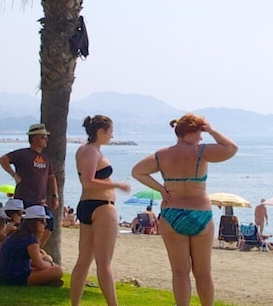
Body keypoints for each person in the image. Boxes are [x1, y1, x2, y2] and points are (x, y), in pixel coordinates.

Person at [130, 113, 239, 306]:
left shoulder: (162, 155)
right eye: (200, 132)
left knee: (180, 272)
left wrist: (161, 189)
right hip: (201, 214)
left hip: (172, 214)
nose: (202, 137)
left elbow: (137, 171)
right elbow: (231, 148)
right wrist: (212, 129)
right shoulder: (201, 151)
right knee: (203, 272)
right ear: (189, 133)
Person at [68, 115, 132, 306]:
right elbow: (88, 182)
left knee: (84, 261)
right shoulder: (90, 152)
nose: (112, 136)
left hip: (88, 206)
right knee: (103, 263)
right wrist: (118, 185)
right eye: (110, 132)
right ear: (101, 131)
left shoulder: (86, 150)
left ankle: (75, 304)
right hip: (100, 207)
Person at [0, 124, 59, 231]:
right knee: (23, 227)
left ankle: (38, 247)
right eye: (43, 137)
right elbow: (3, 160)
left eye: (46, 137)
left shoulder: (45, 157)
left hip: (40, 201)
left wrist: (55, 196)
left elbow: (51, 177)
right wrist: (14, 175)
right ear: (34, 139)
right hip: (24, 199)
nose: (46, 139)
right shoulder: (23, 154)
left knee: (49, 224)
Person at [0, 205, 64, 286]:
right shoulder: (30, 238)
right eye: (43, 221)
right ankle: (44, 281)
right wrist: (51, 264)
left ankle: (45, 281)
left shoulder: (18, 234)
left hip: (5, 273)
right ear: (35, 222)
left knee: (45, 258)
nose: (45, 224)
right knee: (58, 271)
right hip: (16, 276)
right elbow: (39, 264)